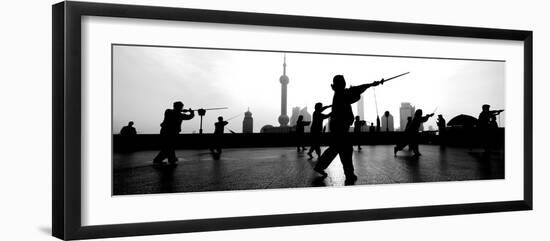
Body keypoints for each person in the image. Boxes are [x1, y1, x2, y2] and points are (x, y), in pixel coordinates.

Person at [314, 75, 383, 182]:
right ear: (341, 84)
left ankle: (323, 167)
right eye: (343, 82)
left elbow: (355, 90)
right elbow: (356, 91)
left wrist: (371, 84)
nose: (344, 84)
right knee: (345, 150)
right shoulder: (341, 93)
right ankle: (349, 174)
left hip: (338, 127)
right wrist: (371, 85)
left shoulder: (339, 92)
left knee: (336, 149)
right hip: (340, 127)